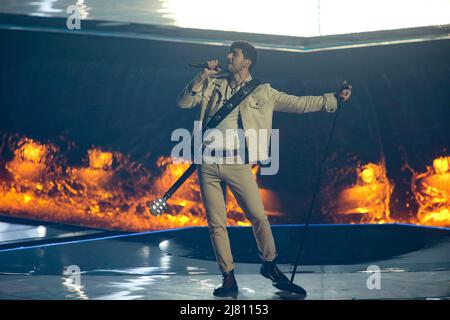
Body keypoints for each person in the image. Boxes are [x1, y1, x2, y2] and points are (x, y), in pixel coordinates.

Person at [177, 41, 352, 297]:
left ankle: (269, 264)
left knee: (258, 217)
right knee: (216, 223)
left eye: (234, 54)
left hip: (237, 163)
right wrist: (201, 76)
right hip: (208, 162)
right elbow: (183, 103)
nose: (228, 56)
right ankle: (228, 277)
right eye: (230, 52)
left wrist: (333, 99)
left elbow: (299, 103)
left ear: (246, 62)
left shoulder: (263, 92)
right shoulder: (212, 83)